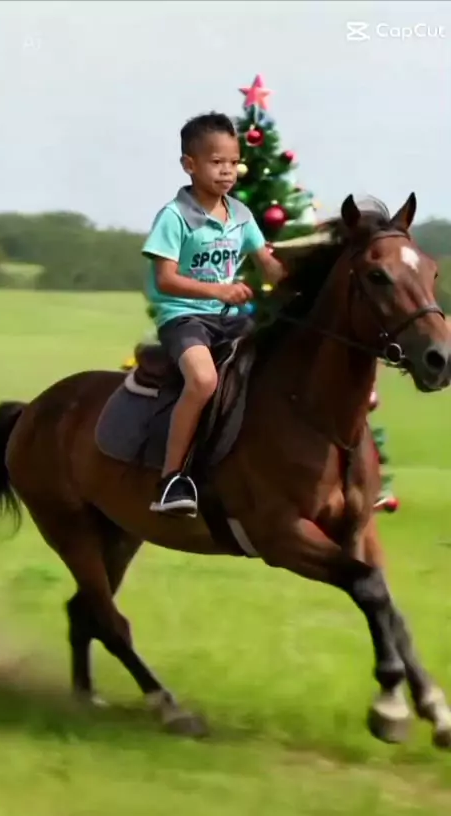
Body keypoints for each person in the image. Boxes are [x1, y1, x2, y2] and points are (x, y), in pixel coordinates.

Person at [142, 111, 286, 518]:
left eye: (233, 162)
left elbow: (268, 263)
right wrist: (219, 290)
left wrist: (292, 270)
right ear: (189, 164)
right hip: (184, 318)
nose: (227, 171)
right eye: (216, 161)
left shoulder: (240, 215)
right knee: (204, 380)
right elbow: (165, 280)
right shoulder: (173, 217)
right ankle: (172, 479)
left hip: (230, 318)